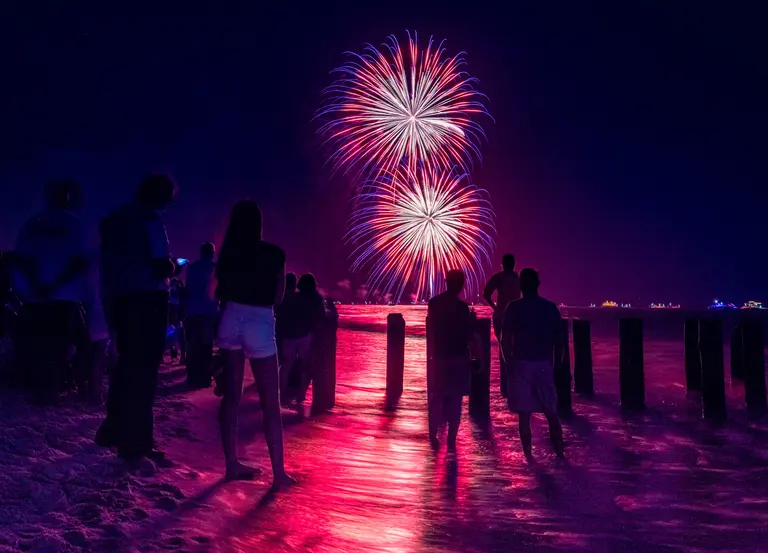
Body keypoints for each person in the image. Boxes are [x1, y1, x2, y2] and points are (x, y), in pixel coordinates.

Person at [95, 174, 177, 461]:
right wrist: (171, 268)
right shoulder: (150, 221)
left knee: (125, 364)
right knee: (144, 371)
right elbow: (159, 266)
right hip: (148, 300)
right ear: (161, 196)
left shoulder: (114, 219)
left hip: (119, 297)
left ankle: (113, 427)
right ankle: (137, 441)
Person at [215, 200, 295, 488]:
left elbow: (220, 291)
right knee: (270, 402)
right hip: (259, 321)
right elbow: (278, 298)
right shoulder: (275, 254)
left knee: (232, 397)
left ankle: (231, 465)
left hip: (231, 317)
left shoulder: (227, 254)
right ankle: (279, 475)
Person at [12, 180, 90, 403]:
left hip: (35, 297)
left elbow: (22, 258)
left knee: (39, 345)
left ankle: (39, 391)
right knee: (60, 346)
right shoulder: (75, 224)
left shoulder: (32, 223)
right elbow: (79, 261)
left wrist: (37, 284)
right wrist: (55, 284)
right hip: (64, 296)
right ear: (67, 197)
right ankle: (52, 391)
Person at [501, 268, 565, 460]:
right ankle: (560, 454)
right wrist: (558, 364)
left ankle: (529, 457)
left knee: (524, 415)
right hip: (544, 363)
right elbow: (559, 340)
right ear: (538, 284)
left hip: (521, 363)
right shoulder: (550, 308)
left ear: (521, 286)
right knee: (552, 412)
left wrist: (508, 363)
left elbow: (505, 339)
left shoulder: (513, 308)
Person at [427, 269, 481, 450]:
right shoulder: (463, 309)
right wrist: (478, 357)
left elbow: (434, 328)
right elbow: (470, 335)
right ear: (461, 285)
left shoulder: (434, 304)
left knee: (437, 398)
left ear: (445, 282)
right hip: (458, 358)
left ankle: (433, 437)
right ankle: (451, 440)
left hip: (440, 357)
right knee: (456, 401)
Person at [483, 254, 521, 395]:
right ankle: (514, 386)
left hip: (500, 315)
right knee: (515, 349)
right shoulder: (518, 278)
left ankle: (505, 389)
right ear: (514, 264)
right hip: (516, 316)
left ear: (502, 264)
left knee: (502, 348)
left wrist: (495, 307)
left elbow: (486, 293)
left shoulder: (498, 277)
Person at [184, 242, 219, 389]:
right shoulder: (216, 268)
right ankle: (204, 378)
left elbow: (188, 289)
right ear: (212, 253)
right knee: (206, 346)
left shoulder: (191, 268)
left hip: (192, 311)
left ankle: (192, 377)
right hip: (209, 312)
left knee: (193, 346)